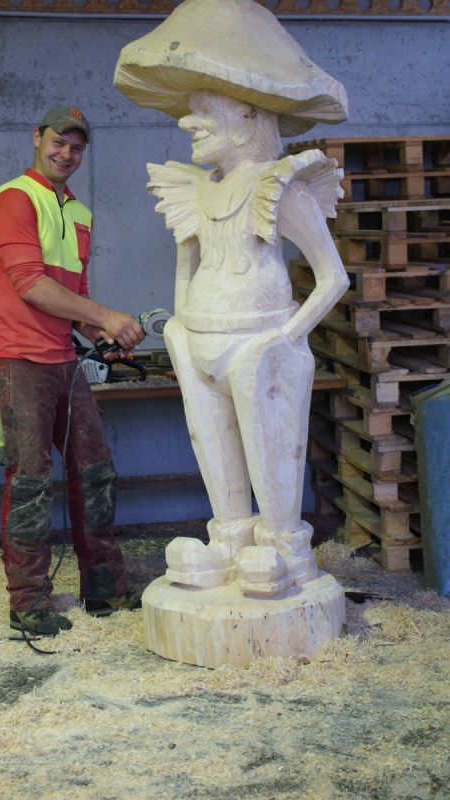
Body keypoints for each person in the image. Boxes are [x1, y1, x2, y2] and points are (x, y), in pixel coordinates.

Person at [147, 90, 349, 594]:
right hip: (197, 341)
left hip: (261, 345)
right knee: (211, 442)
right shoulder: (198, 190)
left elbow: (333, 277)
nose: (188, 123)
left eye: (204, 113)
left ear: (245, 120)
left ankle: (284, 546)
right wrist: (180, 326)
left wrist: (286, 338)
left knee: (270, 446)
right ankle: (231, 540)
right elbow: (187, 266)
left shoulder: (279, 187)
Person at [0, 106, 145, 636]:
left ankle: (104, 587)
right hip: (14, 358)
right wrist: (106, 316)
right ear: (37, 138)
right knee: (29, 481)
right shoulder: (14, 198)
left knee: (95, 472)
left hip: (62, 360)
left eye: (76, 147)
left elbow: (73, 297)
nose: (66, 153)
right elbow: (30, 283)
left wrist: (100, 333)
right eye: (58, 142)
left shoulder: (80, 213)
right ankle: (28, 601)